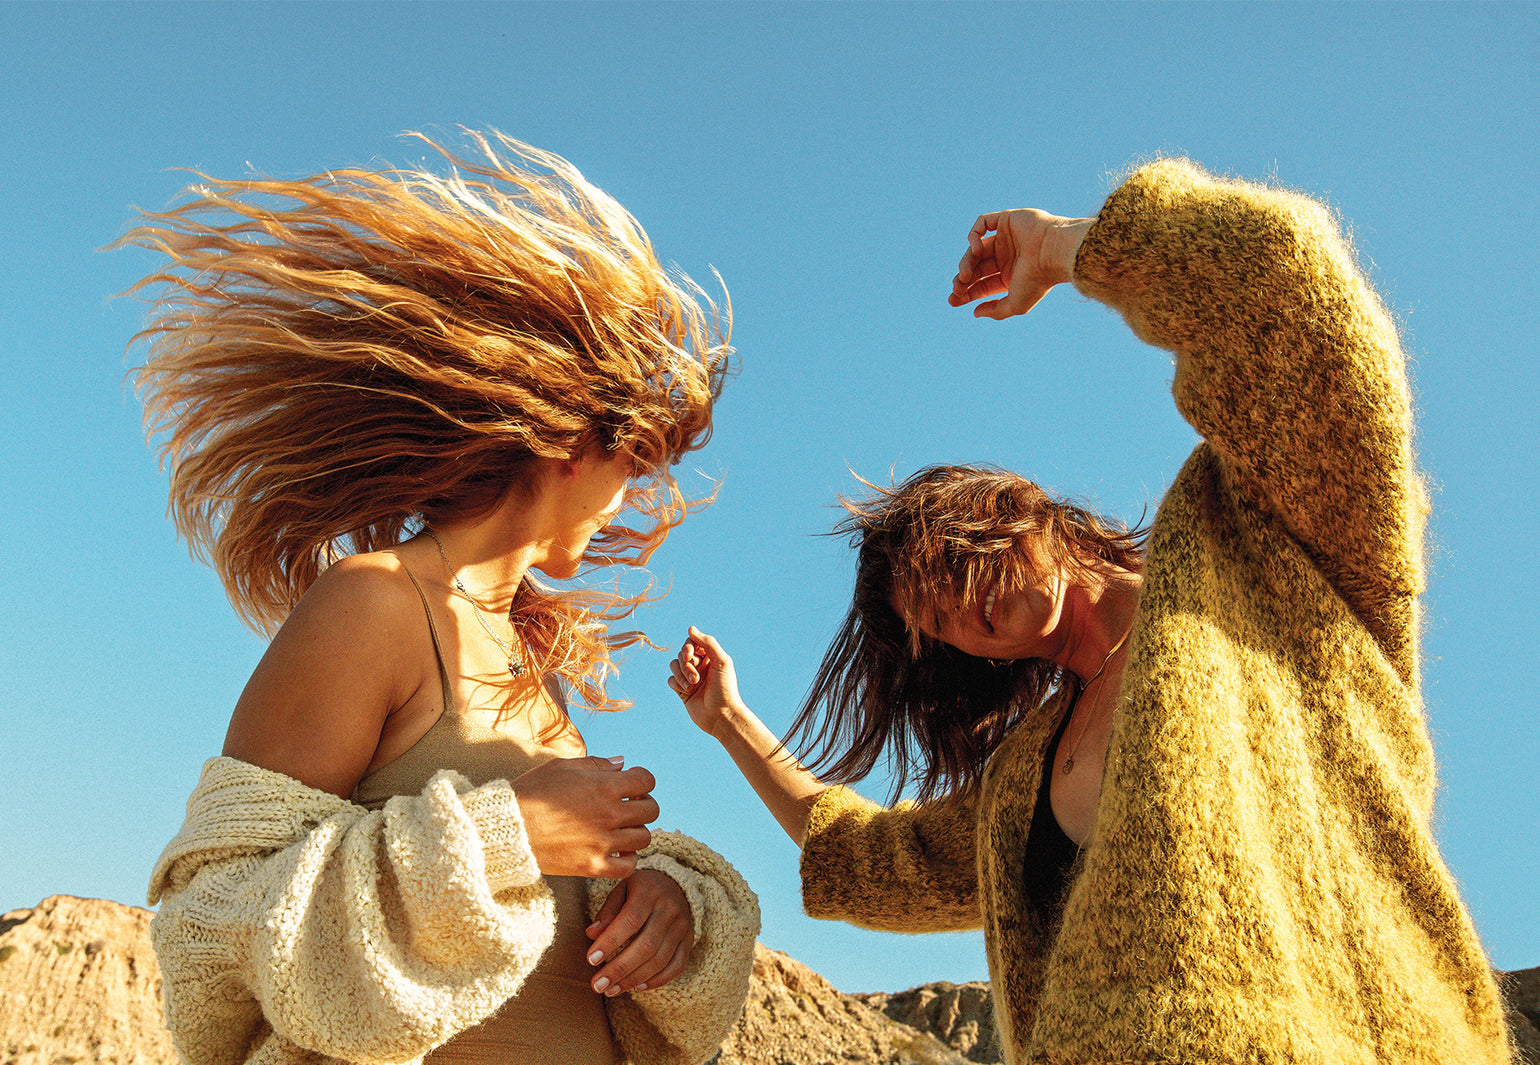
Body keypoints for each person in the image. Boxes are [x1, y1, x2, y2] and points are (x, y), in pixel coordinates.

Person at [672, 159, 1515, 1063]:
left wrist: (1063, 248)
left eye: (950, 565)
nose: (959, 611)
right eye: (935, 623)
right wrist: (728, 721)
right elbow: (870, 858)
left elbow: (1284, 283)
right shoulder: (1020, 775)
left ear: (1025, 514)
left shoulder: (1262, 549)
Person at [132, 131, 758, 1065]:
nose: (631, 498)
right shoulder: (376, 604)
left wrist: (663, 906)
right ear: (571, 442)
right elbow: (208, 929)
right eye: (634, 461)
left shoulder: (531, 666)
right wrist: (508, 834)